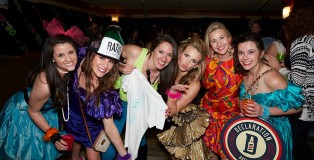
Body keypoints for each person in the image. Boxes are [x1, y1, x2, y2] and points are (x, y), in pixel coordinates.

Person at [0, 17, 88, 159]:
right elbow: (33, 111)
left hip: (47, 109)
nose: (69, 58)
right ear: (53, 59)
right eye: (61, 55)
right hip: (26, 111)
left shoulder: (69, 68)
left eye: (71, 52)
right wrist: (53, 135)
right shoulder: (46, 83)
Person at [102, 34, 178, 160]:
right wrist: (120, 67)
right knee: (109, 146)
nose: (164, 59)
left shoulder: (168, 73)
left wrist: (169, 104)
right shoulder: (135, 52)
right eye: (161, 52)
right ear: (152, 50)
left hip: (140, 108)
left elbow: (170, 103)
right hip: (120, 102)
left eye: (169, 55)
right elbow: (110, 54)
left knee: (139, 138)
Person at [234, 32, 304, 160]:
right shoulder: (245, 75)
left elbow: (299, 106)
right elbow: (242, 99)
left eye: (251, 52)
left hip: (275, 132)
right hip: (254, 131)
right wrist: (244, 110)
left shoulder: (272, 78)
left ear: (261, 54)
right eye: (241, 53)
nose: (245, 57)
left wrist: (264, 110)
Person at [65, 26, 131, 160]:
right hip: (72, 117)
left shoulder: (105, 92)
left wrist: (124, 156)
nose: (105, 66)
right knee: (75, 145)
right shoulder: (77, 60)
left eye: (111, 61)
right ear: (91, 56)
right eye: (101, 58)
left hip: (91, 126)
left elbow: (110, 127)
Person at [263, 3, 314, 159]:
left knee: (295, 143)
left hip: (303, 103)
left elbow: (298, 80)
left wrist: (278, 68)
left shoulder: (300, 43)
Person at [157, 38, 217, 160]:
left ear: (196, 65)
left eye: (193, 60)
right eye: (186, 55)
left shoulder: (193, 84)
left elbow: (172, 111)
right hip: (161, 120)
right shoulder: (166, 66)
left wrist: (173, 94)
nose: (187, 62)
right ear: (180, 53)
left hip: (181, 125)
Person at [200, 22, 243, 159]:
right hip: (209, 113)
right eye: (213, 41)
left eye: (222, 38)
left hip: (233, 113)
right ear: (210, 45)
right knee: (210, 153)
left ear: (229, 38)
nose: (219, 44)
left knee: (229, 154)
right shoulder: (206, 62)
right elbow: (190, 79)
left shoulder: (241, 57)